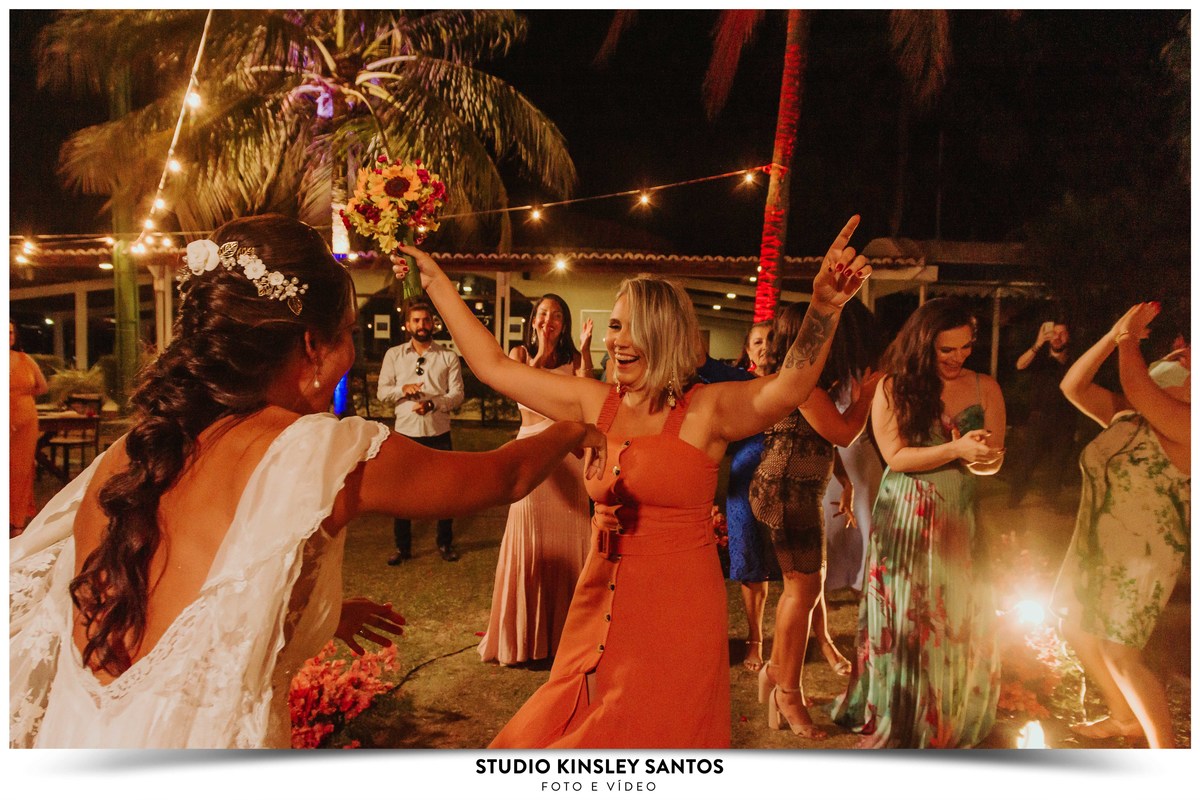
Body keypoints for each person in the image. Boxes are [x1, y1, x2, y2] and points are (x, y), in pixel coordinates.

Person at [9, 214, 607, 748]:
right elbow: (507, 474)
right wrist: (575, 427)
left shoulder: (130, 454)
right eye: (347, 333)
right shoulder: (318, 450)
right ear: (312, 345)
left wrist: (314, 608)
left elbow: (176, 607)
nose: (350, 353)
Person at [394, 215, 871, 748]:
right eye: (614, 326)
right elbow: (492, 366)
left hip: (679, 609)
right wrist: (436, 283)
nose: (615, 340)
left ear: (663, 334)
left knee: (660, 736)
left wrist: (823, 309)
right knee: (561, 734)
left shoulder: (708, 410)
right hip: (600, 596)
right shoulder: (593, 401)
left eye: (629, 328)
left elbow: (789, 387)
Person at [830, 297, 1007, 748]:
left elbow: (992, 462)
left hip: (957, 516)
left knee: (956, 614)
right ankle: (904, 711)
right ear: (923, 344)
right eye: (946, 349)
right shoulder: (893, 386)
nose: (957, 357)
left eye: (965, 347)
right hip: (907, 514)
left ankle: (949, 712)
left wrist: (984, 458)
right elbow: (896, 456)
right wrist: (956, 449)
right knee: (909, 617)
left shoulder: (986, 387)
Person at [1051, 302, 1189, 748]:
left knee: (1120, 652)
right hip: (1095, 543)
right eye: (1179, 353)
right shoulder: (1129, 416)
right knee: (1076, 626)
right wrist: (1113, 335)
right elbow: (1073, 386)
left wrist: (1129, 341)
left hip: (1143, 555)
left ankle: (1166, 753)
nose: (1182, 356)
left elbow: (1138, 385)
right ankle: (1124, 716)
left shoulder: (1189, 425)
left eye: (1189, 358)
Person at [750, 301, 881, 738]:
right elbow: (842, 432)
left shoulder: (801, 379)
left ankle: (776, 674)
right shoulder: (802, 384)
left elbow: (817, 438)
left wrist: (843, 480)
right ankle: (787, 691)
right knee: (802, 592)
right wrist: (866, 398)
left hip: (792, 490)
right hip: (787, 493)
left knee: (803, 591)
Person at [479, 295, 596, 665]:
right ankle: (526, 639)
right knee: (531, 539)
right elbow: (523, 391)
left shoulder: (574, 360)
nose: (549, 320)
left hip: (568, 459)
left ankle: (567, 638)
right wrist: (542, 354)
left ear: (565, 324)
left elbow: (589, 400)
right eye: (544, 314)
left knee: (571, 539)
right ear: (533, 320)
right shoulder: (519, 355)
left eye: (557, 315)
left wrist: (586, 353)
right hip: (531, 456)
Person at [377, 301, 466, 563]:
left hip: (438, 431)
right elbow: (382, 392)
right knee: (401, 491)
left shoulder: (447, 357)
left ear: (433, 323)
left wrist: (433, 404)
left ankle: (445, 543)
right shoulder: (394, 355)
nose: (422, 325)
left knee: (445, 490)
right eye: (416, 320)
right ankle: (402, 548)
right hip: (406, 432)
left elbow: (457, 394)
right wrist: (402, 389)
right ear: (408, 325)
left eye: (426, 320)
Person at [821, 300, 884, 595]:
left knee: (855, 519)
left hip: (847, 452)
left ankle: (851, 579)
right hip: (852, 453)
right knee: (852, 520)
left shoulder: (847, 371)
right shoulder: (862, 368)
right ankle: (857, 579)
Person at [719, 321, 772, 672]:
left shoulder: (793, 384)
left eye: (771, 339)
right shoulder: (736, 385)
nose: (765, 346)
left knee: (799, 566)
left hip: (784, 483)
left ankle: (816, 636)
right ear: (748, 349)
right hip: (744, 483)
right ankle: (756, 639)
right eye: (758, 341)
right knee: (751, 564)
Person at [1008, 318, 1079, 507]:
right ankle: (1015, 498)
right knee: (1028, 459)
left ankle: (1051, 500)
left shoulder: (1074, 360)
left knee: (1058, 462)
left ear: (1068, 337)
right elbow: (1020, 365)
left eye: (1062, 333)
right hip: (1039, 417)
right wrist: (1038, 343)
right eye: (1054, 333)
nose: (1057, 337)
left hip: (1065, 420)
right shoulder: (1040, 358)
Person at [10, 321, 49, 537]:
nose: (8, 336)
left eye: (11, 332)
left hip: (26, 421)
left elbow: (42, 387)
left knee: (21, 469)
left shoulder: (25, 359)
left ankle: (17, 520)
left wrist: (21, 397)